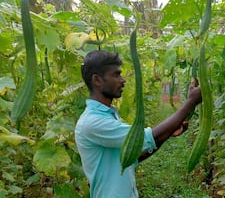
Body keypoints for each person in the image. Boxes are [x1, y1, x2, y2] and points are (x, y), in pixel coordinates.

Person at [75, 50, 202, 198]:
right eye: (116, 75)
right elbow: (145, 138)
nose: (123, 80)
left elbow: (132, 156)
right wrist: (191, 102)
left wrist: (166, 135)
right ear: (97, 80)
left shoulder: (107, 117)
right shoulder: (92, 122)